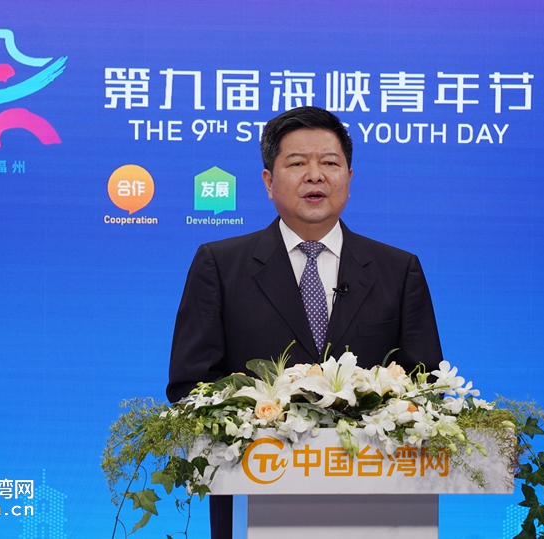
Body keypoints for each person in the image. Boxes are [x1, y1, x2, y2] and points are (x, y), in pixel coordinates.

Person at [166, 106, 444, 539]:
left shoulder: (397, 269)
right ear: (268, 181)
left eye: (330, 163)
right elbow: (189, 386)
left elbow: (427, 389)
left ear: (349, 177)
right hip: (255, 496)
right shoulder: (220, 266)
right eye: (297, 163)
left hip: (377, 504)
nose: (315, 175)